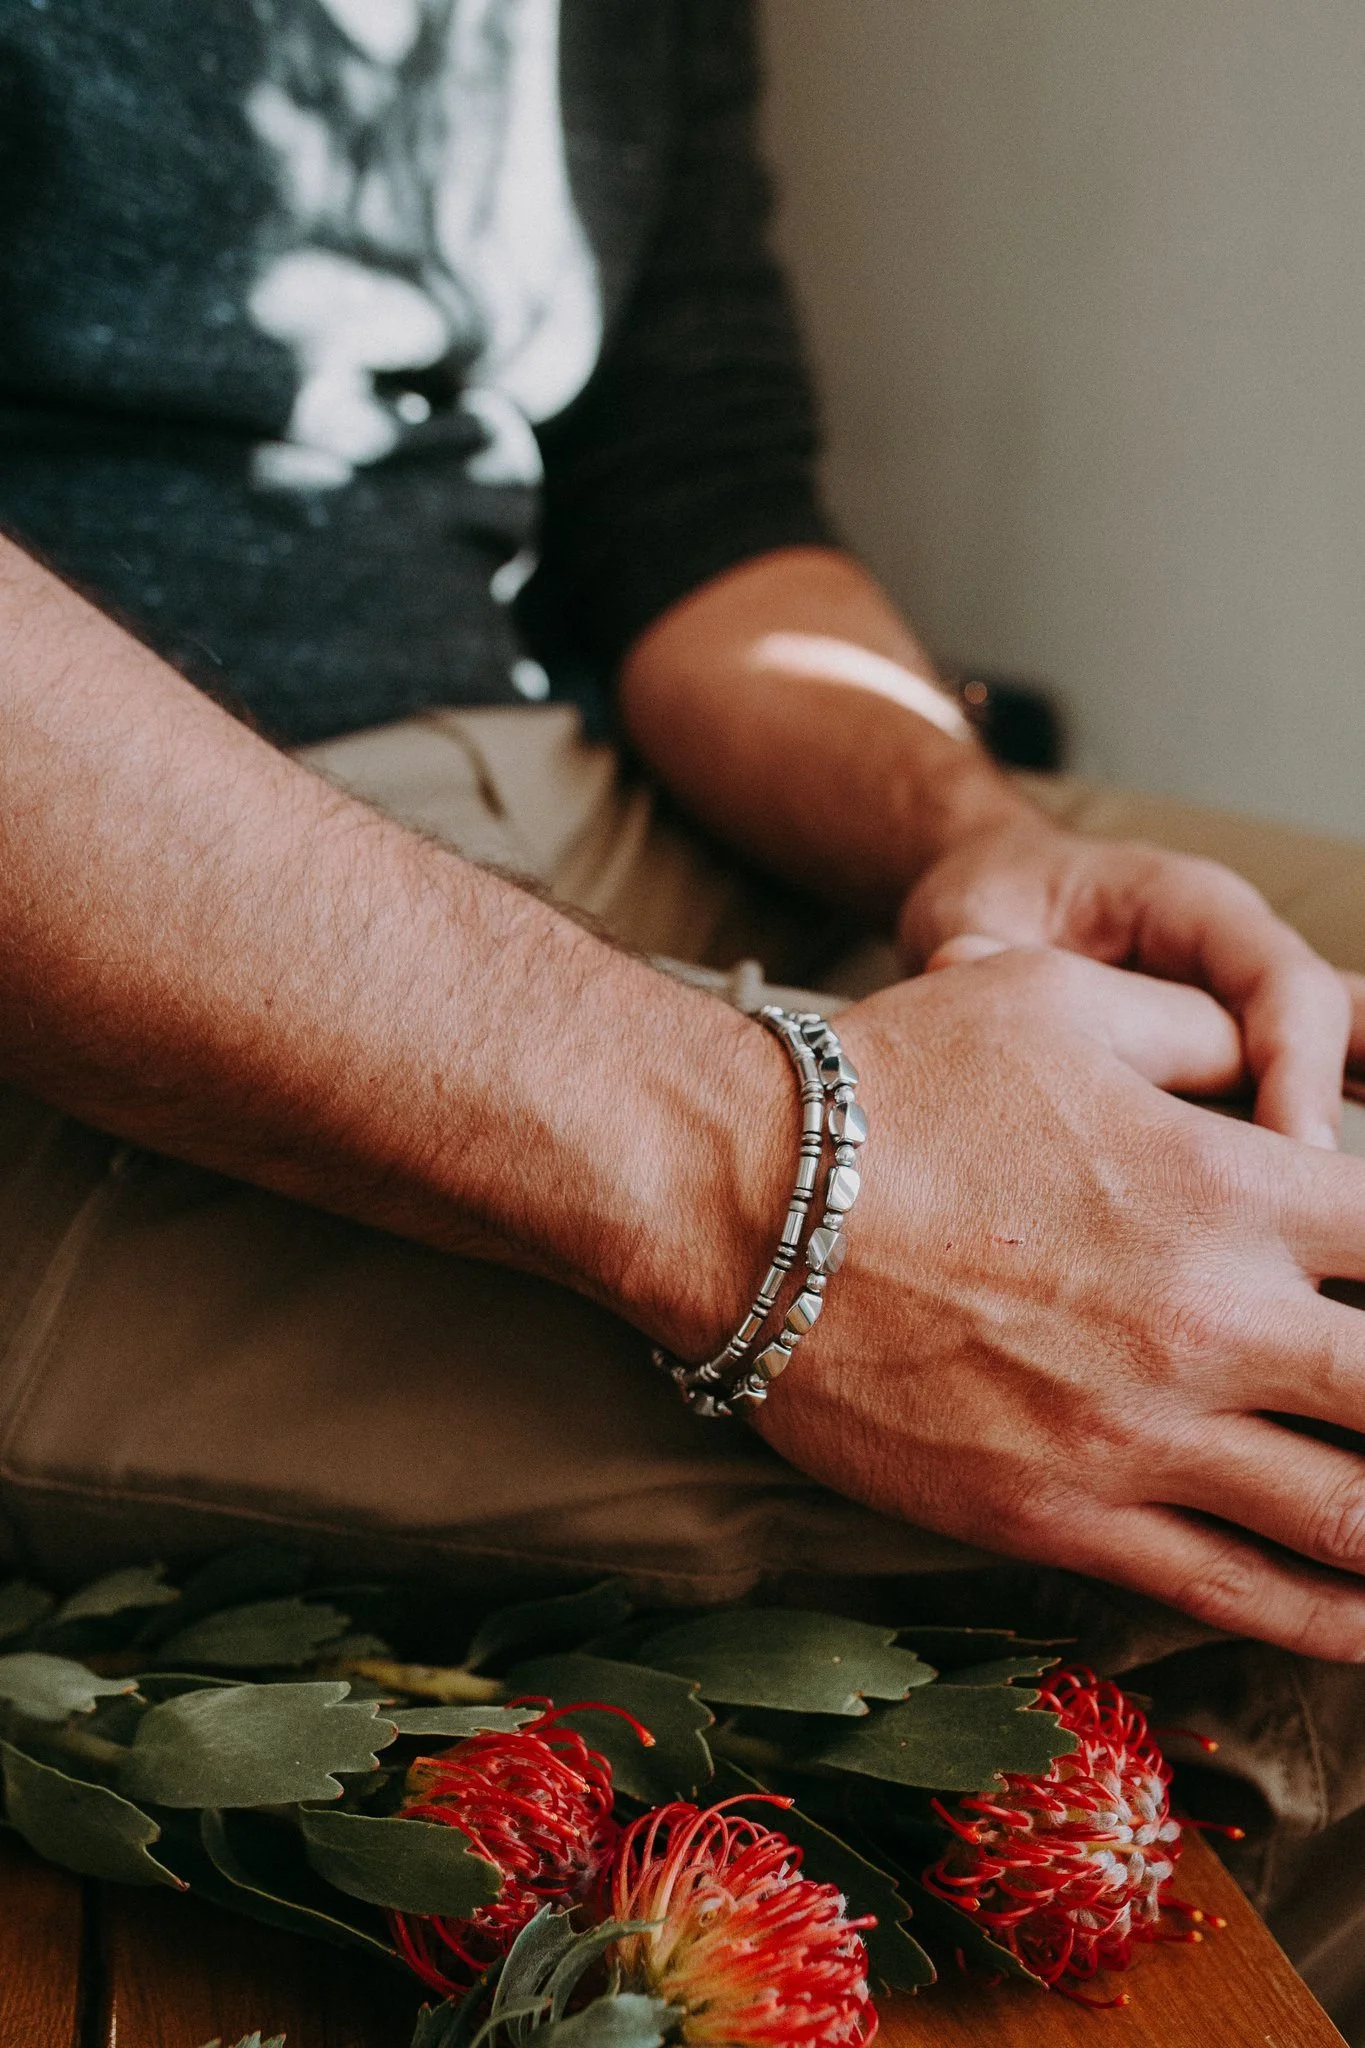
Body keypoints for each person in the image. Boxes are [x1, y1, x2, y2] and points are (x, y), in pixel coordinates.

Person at [3, 0, 1365, 2024]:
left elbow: (698, 500)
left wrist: (956, 829)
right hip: (113, 906)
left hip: (580, 791)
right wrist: (774, 1179)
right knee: (1240, 1474)